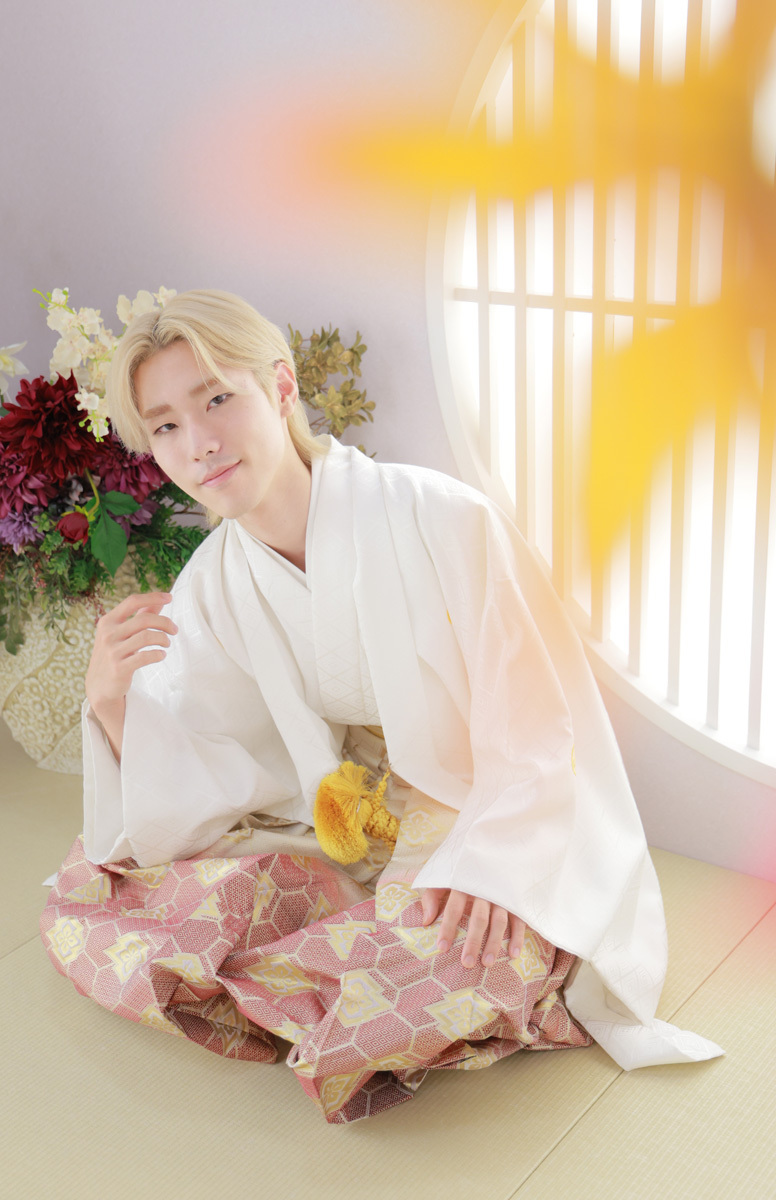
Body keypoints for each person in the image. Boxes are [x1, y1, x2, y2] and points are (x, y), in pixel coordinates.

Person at [41, 289, 721, 1124]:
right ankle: (331, 979)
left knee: (464, 953)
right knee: (97, 894)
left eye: (217, 399)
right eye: (167, 426)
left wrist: (492, 865)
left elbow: (543, 722)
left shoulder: (442, 517)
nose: (199, 443)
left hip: (488, 808)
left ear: (280, 387)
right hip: (345, 820)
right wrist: (113, 703)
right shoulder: (216, 581)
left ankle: (328, 987)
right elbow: (207, 762)